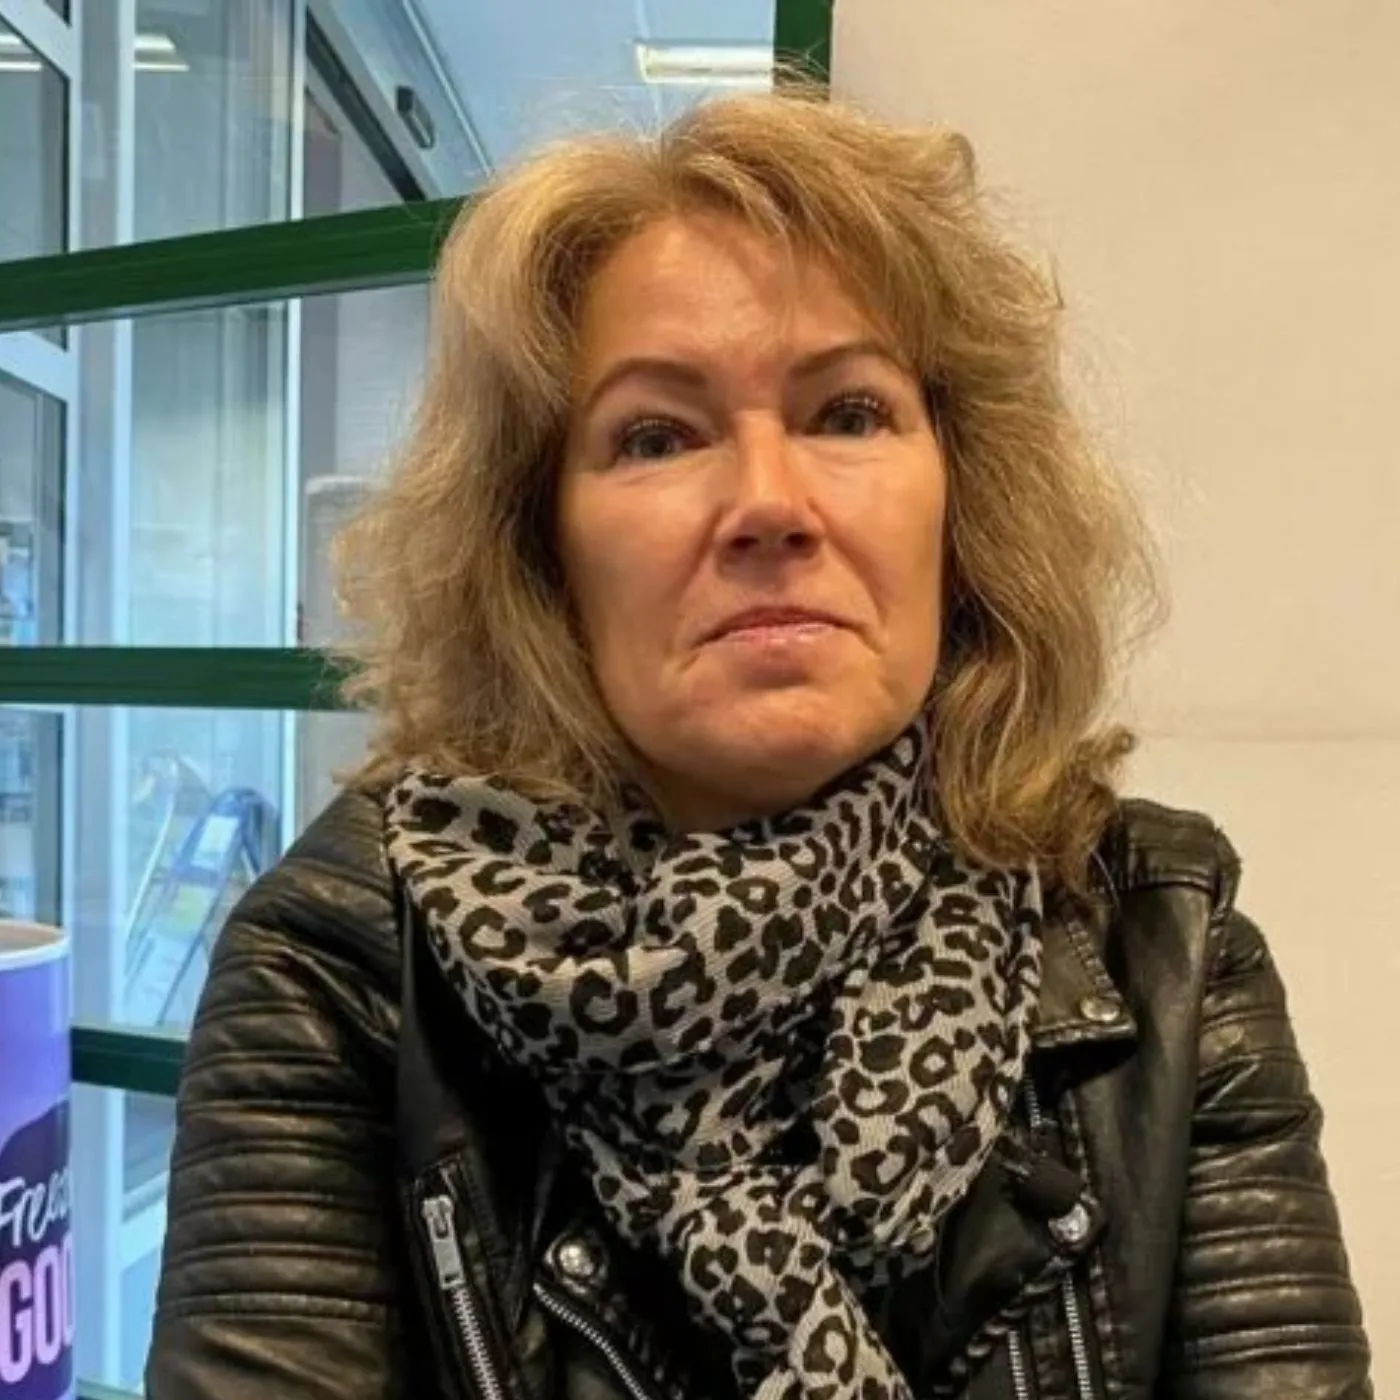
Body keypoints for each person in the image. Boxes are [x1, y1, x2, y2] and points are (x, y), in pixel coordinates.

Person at [146, 89, 1372, 1400]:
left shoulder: (1165, 945)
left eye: (848, 413)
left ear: (961, 498)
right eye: (656, 436)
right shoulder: (343, 968)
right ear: (541, 548)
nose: (769, 504)